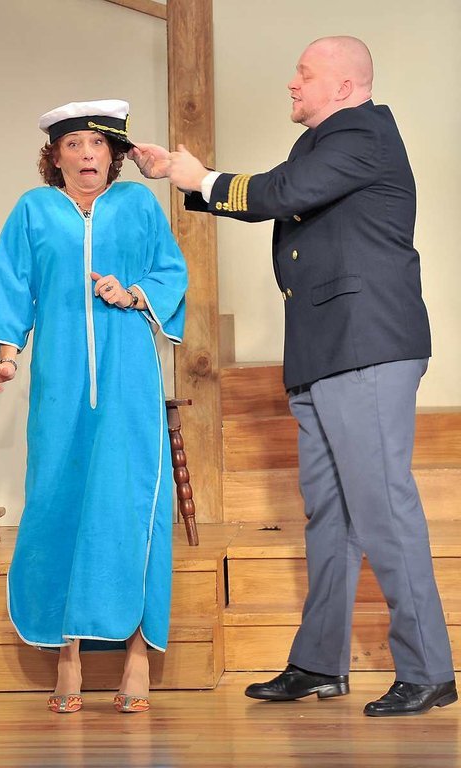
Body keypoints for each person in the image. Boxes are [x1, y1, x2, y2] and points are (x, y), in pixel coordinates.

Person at [128, 36, 457, 717]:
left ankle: (429, 671)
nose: (292, 84)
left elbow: (281, 193)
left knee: (382, 506)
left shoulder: (362, 132)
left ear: (344, 86)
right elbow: (281, 191)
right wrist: (186, 177)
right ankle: (319, 664)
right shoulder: (326, 142)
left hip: (364, 346)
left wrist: (200, 178)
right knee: (330, 513)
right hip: (326, 349)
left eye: (304, 74)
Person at [0, 99, 188, 714]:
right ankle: (68, 654)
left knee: (129, 502)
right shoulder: (34, 210)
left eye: (97, 143)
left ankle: (137, 653)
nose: (87, 154)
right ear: (54, 156)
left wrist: (133, 294)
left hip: (128, 377)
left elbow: (170, 271)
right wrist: (7, 355)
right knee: (59, 502)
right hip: (59, 383)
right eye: (73, 144)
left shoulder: (138, 205)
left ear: (114, 154)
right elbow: (12, 286)